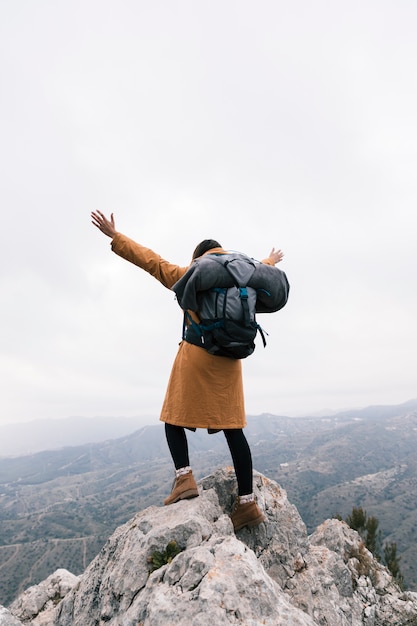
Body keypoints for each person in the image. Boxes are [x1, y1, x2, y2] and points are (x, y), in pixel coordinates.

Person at [91, 210, 284, 531]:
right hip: (230, 358)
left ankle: (184, 479)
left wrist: (116, 236)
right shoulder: (244, 276)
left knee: (173, 417)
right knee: (233, 428)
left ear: (200, 260)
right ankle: (247, 504)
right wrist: (271, 260)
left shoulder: (191, 273)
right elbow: (262, 271)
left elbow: (151, 261)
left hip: (196, 354)